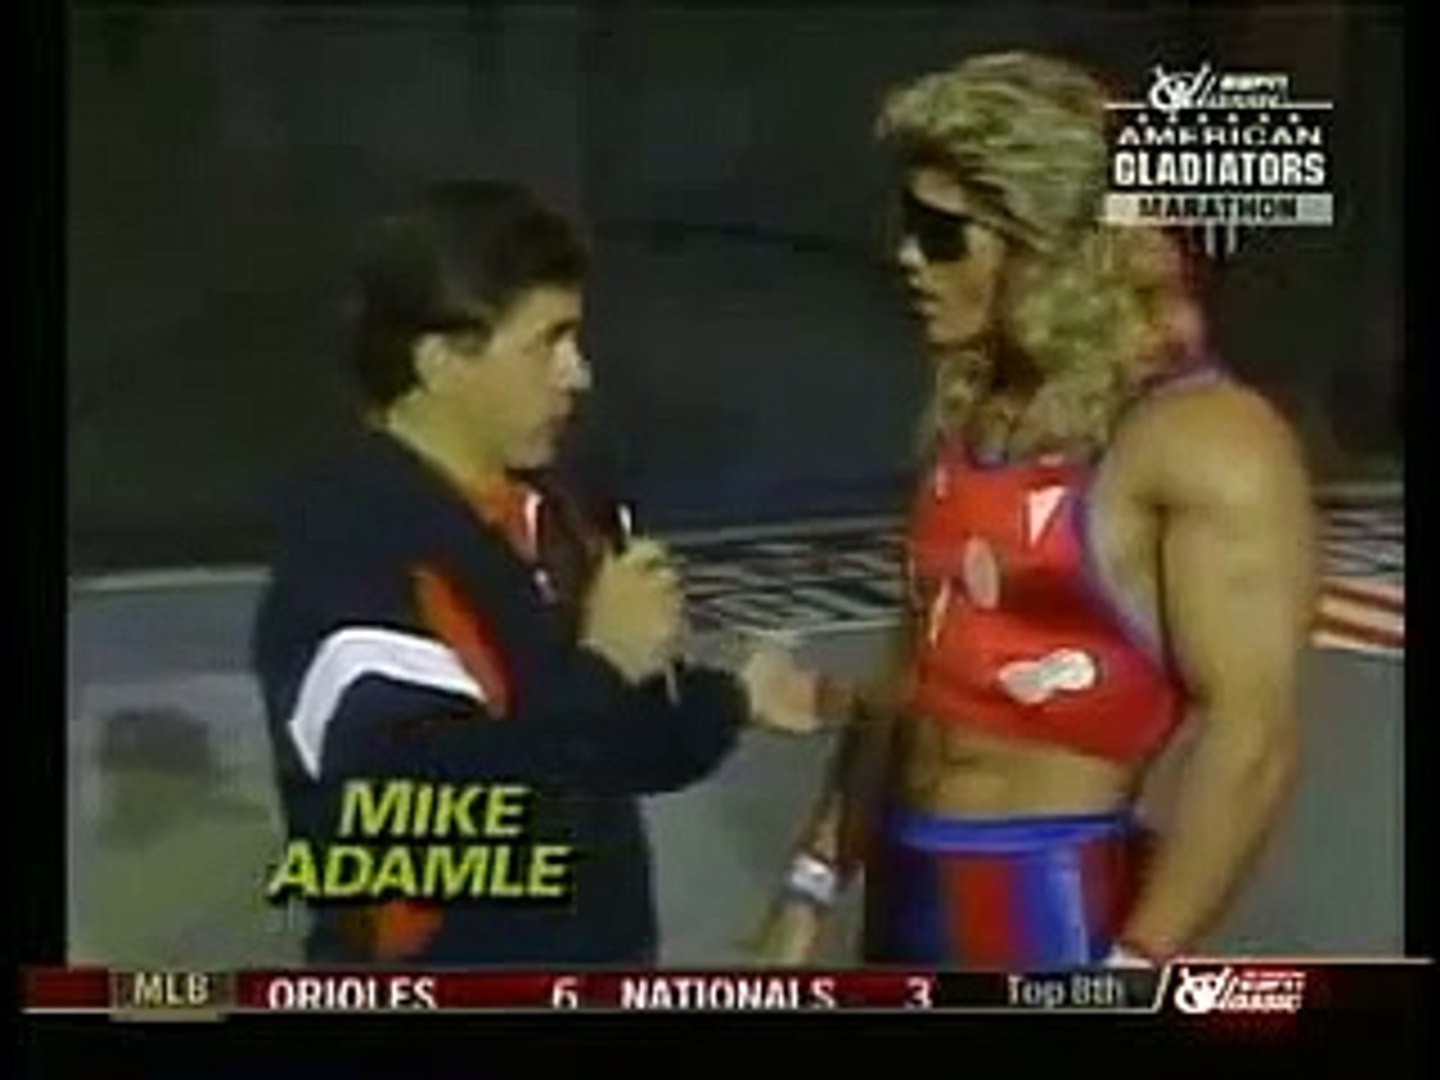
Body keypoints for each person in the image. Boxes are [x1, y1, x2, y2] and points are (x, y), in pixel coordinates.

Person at [751, 52, 1318, 969]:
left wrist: (1134, 967)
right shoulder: (972, 409)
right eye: (907, 225)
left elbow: (1252, 740)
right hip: (905, 891)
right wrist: (810, 886)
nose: (907, 258)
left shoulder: (1205, 439)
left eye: (943, 235)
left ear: (1044, 245)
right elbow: (914, 675)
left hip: (1056, 914)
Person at [251, 180, 816, 966]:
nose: (577, 374)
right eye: (548, 342)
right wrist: (605, 660)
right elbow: (425, 823)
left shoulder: (555, 510)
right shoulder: (349, 556)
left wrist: (735, 699)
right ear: (442, 361)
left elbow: (603, 751)